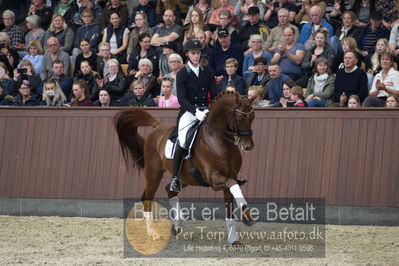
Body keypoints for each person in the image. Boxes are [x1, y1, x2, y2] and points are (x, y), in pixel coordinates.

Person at [170, 39, 218, 192]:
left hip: (206, 110)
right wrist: (195, 111)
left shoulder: (207, 71)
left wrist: (212, 109)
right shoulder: (182, 73)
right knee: (183, 139)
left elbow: (215, 93)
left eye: (198, 53)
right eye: (193, 53)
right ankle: (175, 178)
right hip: (189, 112)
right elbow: (181, 99)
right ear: (187, 54)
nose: (196, 56)